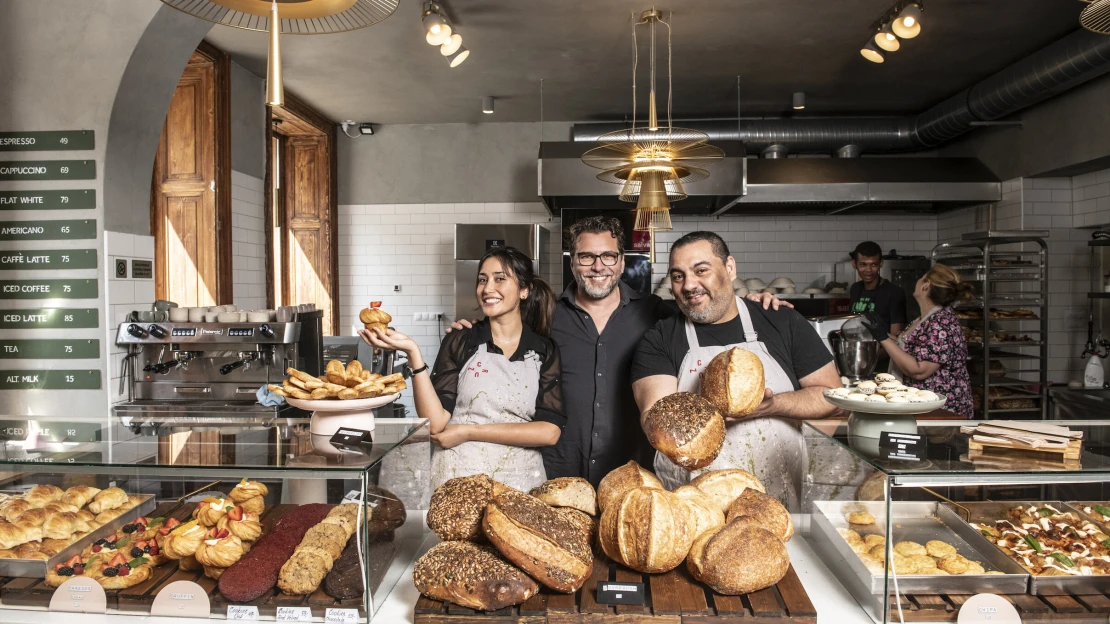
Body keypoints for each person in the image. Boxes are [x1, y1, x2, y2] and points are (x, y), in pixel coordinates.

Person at [449, 217, 791, 488]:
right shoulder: (544, 312)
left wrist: (756, 304)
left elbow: (710, 314)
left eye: (608, 256)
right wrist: (469, 330)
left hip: (634, 475)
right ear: (573, 263)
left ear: (622, 261)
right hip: (555, 471)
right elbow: (502, 328)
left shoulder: (655, 312)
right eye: (586, 256)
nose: (598, 266)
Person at [631, 231, 842, 510]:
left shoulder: (782, 321)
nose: (689, 285)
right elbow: (656, 423)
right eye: (678, 275)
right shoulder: (659, 340)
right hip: (697, 508)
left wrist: (773, 405)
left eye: (701, 270)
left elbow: (832, 397)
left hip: (778, 500)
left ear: (729, 268)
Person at [360, 246, 564, 492]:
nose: (487, 289)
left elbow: (549, 431)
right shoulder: (461, 340)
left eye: (500, 278)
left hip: (521, 483)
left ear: (524, 290)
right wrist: (413, 352)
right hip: (458, 480)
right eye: (482, 280)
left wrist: (468, 431)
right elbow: (435, 424)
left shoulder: (543, 350)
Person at [862, 264, 975, 417]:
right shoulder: (925, 318)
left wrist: (882, 337)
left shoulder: (942, 322)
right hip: (921, 406)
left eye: (921, 279)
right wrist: (877, 331)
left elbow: (919, 370)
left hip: (941, 411)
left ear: (926, 286)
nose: (918, 281)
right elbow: (910, 346)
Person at [849, 241, 907, 339]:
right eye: (863, 264)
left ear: (881, 263)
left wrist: (870, 354)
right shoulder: (855, 288)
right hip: (858, 349)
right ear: (854, 264)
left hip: (881, 352)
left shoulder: (894, 293)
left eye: (874, 265)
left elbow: (896, 338)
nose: (868, 270)